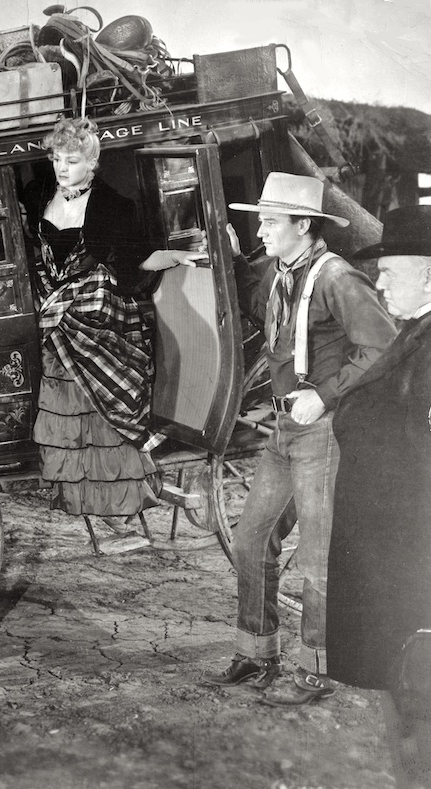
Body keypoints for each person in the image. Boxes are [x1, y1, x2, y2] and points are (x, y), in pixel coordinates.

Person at [150, 172, 396, 703]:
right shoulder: (281, 272)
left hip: (322, 432)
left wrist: (326, 395)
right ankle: (256, 655)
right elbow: (252, 298)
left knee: (318, 556)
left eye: (269, 222)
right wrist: (229, 256)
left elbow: (384, 345)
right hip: (284, 430)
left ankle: (316, 671)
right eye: (259, 220)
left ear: (304, 225)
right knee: (251, 539)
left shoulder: (336, 279)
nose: (260, 229)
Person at [22, 116, 199, 519]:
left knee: (96, 384)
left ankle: (116, 498)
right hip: (51, 297)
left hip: (97, 303)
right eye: (56, 160)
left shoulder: (115, 205)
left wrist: (176, 256)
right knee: (64, 395)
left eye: (70, 161)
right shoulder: (38, 193)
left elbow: (139, 257)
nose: (62, 169)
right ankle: (77, 496)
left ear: (92, 163)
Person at [326, 206, 431, 787]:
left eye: (391, 271)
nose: (381, 282)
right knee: (403, 695)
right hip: (389, 543)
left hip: (409, 551)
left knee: (417, 697)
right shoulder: (415, 330)